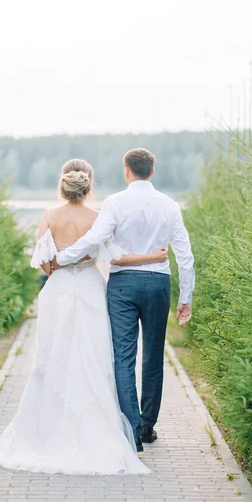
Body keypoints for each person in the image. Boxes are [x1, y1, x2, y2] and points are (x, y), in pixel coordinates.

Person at [0, 158, 168, 475]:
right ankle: (99, 428)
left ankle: (46, 430)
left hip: (59, 290)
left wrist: (57, 266)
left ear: (62, 183)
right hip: (93, 289)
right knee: (95, 357)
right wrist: (153, 256)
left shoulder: (49, 216)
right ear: (89, 185)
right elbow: (117, 256)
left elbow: (45, 263)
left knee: (53, 355)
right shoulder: (98, 217)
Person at [56, 148, 195, 449]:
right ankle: (147, 425)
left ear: (126, 171)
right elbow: (185, 255)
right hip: (159, 283)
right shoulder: (170, 206)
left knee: (123, 355)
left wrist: (62, 257)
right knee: (154, 354)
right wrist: (186, 297)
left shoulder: (115, 203)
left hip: (122, 287)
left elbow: (94, 239)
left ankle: (131, 427)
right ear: (152, 172)